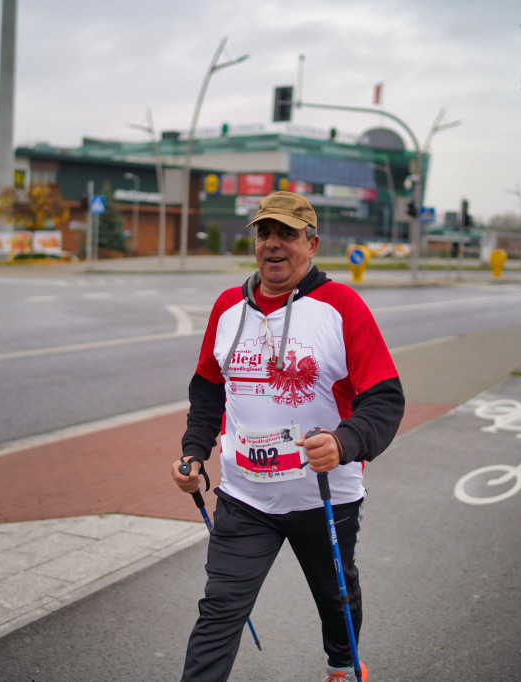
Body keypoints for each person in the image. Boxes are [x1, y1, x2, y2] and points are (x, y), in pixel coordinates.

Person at [171, 191, 405, 681]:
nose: (273, 244)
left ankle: (342, 664)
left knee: (336, 596)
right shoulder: (228, 307)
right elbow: (208, 389)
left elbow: (385, 398)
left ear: (311, 244)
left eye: (287, 234)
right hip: (244, 496)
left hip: (323, 497)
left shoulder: (341, 305)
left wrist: (343, 442)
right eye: (264, 233)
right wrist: (194, 452)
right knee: (219, 610)